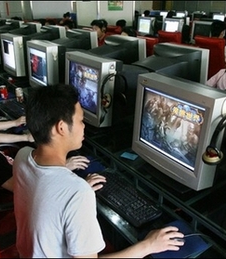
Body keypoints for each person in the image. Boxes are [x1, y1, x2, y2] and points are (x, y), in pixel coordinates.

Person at [12, 84, 185, 257]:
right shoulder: (76, 192)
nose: (84, 126)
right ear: (61, 128)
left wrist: (72, 187)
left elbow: (45, 185)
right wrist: (148, 246)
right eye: (80, 120)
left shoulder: (22, 156)